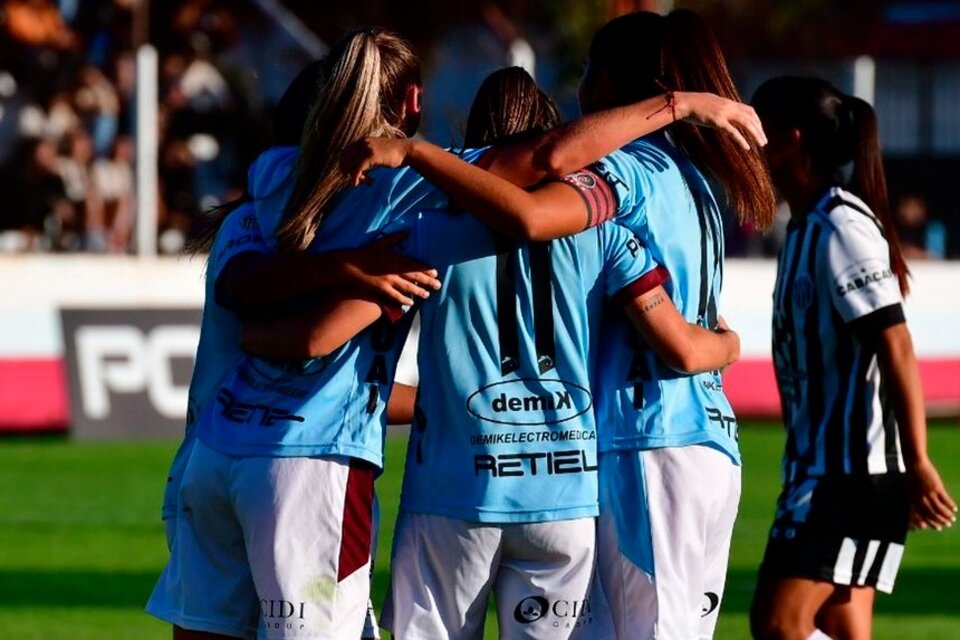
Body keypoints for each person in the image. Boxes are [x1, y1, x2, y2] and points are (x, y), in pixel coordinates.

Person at [341, 10, 776, 639]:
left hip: (642, 442)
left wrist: (415, 154)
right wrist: (729, 344)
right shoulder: (695, 182)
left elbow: (535, 201)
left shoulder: (622, 173)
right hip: (699, 444)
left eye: (588, 71)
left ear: (609, 83)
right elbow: (686, 333)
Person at [147, 48, 440, 640]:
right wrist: (349, 267)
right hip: (298, 461)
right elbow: (276, 315)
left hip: (217, 455)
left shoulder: (287, 206)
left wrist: (444, 403)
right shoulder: (354, 219)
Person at [748, 76, 957, 640]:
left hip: (848, 476)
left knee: (778, 622)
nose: (746, 141)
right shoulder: (804, 229)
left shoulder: (840, 227)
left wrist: (916, 462)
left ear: (791, 139)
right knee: (840, 624)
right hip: (825, 469)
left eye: (754, 127)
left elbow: (896, 343)